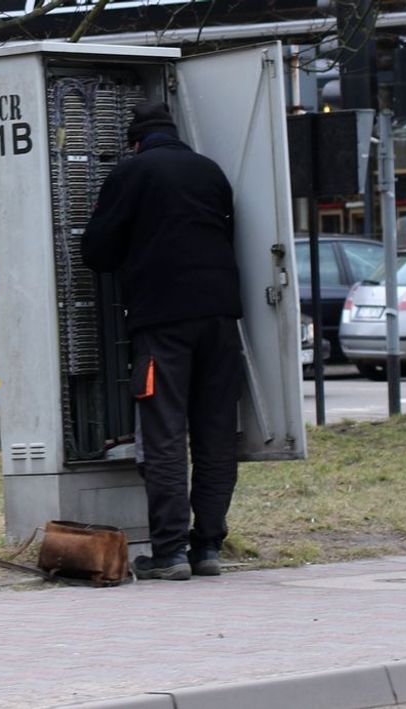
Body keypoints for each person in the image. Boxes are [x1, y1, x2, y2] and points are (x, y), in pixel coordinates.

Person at [82, 101, 243, 581]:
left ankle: (170, 552)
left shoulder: (132, 173)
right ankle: (209, 547)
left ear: (134, 140)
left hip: (162, 322)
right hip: (221, 318)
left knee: (166, 433)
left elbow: (96, 250)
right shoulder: (210, 172)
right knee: (216, 434)